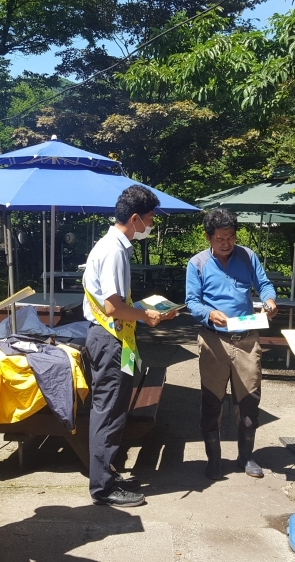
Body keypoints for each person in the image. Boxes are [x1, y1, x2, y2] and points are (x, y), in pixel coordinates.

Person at [83, 184, 178, 508]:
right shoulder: (113, 251)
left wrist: (138, 310)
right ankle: (103, 487)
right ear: (135, 218)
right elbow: (113, 308)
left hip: (112, 339)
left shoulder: (114, 246)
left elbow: (116, 302)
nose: (151, 225)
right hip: (110, 338)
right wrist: (146, 314)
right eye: (150, 218)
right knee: (108, 412)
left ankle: (105, 473)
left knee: (110, 410)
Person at [184, 207, 278, 480]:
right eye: (220, 239)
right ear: (208, 237)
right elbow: (191, 301)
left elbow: (265, 284)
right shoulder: (197, 263)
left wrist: (270, 300)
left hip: (247, 340)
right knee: (212, 401)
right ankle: (213, 460)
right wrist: (208, 313)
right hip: (213, 340)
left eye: (231, 237)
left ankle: (246, 457)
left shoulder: (248, 256)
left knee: (249, 400)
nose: (226, 243)